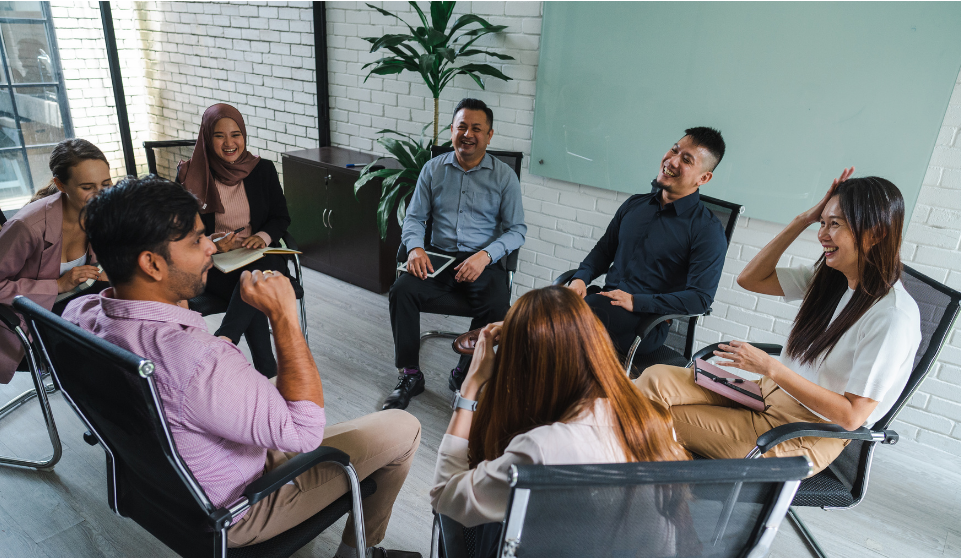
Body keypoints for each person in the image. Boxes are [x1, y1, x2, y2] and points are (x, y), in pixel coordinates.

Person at [67, 176, 422, 558]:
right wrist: (284, 316)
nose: (211, 248)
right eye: (197, 240)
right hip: (236, 507)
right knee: (403, 427)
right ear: (152, 263)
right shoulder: (200, 362)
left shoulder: (83, 313)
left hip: (156, 487)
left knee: (272, 379)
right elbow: (305, 432)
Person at [405, 285, 691, 558]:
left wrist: (471, 387)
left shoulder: (542, 447)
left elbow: (444, 499)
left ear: (524, 367)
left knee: (483, 505)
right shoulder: (651, 418)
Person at [637, 171, 922, 475]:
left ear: (875, 233)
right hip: (765, 396)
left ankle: (636, 488)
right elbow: (751, 279)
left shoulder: (892, 317)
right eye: (822, 222)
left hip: (801, 434)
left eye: (835, 224)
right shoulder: (832, 280)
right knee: (654, 380)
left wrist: (770, 367)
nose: (822, 234)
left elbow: (851, 417)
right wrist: (803, 219)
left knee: (650, 418)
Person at [384, 98, 526, 410]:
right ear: (452, 130)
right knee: (402, 291)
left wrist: (486, 256)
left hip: (480, 261)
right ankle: (410, 374)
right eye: (462, 126)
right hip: (438, 258)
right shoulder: (433, 169)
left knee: (498, 303)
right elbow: (415, 218)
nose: (468, 133)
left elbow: (517, 230)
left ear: (489, 136)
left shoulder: (505, 177)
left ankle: (463, 371)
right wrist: (416, 248)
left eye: (477, 128)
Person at [566, 127, 728, 362]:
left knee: (578, 317)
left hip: (645, 324)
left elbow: (700, 299)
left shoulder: (708, 230)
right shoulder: (635, 205)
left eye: (685, 160)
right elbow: (604, 250)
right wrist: (580, 278)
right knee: (553, 302)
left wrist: (635, 301)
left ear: (703, 178)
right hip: (604, 302)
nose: (671, 161)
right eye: (674, 150)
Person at [0, 138, 111, 384]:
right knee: (102, 359)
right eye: (88, 187)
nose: (100, 194)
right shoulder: (26, 227)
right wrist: (58, 285)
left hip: (73, 308)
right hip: (24, 325)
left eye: (106, 183)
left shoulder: (100, 212)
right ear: (60, 184)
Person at [178, 103, 295, 378]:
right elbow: (182, 232)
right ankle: (265, 367)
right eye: (219, 136)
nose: (230, 143)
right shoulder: (190, 176)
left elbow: (281, 217)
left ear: (244, 135)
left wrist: (262, 237)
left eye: (236, 134)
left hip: (262, 255)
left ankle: (226, 339)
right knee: (251, 283)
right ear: (207, 138)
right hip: (215, 263)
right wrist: (214, 243)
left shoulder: (262, 169)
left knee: (253, 276)